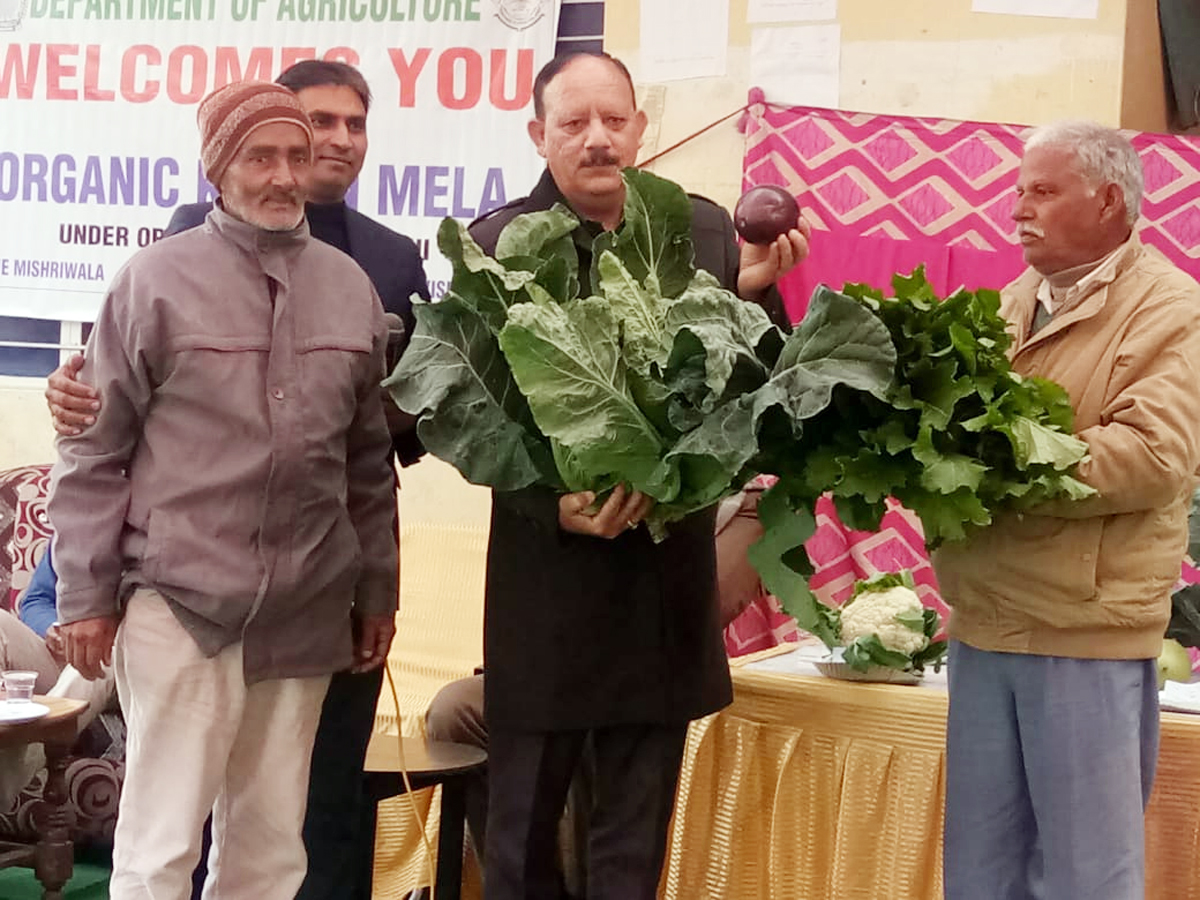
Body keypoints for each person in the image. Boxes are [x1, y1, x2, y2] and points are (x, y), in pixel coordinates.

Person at [43, 59, 428, 900]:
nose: (285, 174)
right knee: (159, 847)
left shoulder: (352, 288)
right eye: (261, 156)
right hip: (182, 601)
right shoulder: (154, 281)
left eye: (296, 154)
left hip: (307, 608)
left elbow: (367, 463)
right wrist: (84, 595)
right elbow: (96, 450)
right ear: (218, 168)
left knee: (269, 850)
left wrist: (377, 594)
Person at [463, 51, 810, 900]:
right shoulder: (495, 244)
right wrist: (554, 502)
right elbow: (469, 412)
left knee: (633, 840)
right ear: (538, 133)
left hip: (659, 578)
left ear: (639, 128)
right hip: (548, 579)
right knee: (519, 839)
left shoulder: (704, 229)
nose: (596, 141)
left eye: (613, 121)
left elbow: (758, 385)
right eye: (574, 123)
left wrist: (757, 294)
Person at [932, 120, 1200, 900]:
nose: (1019, 208)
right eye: (1018, 190)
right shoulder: (1008, 302)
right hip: (984, 620)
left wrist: (1005, 459)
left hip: (1085, 634)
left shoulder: (1172, 308)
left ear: (1110, 200)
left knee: (1086, 876)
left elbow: (1155, 457)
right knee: (980, 874)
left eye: (1043, 191)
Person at [0, 548, 115, 806]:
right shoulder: (72, 530)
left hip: (122, 662)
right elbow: (36, 601)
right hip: (63, 655)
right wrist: (52, 628)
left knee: (96, 653)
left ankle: (11, 772)